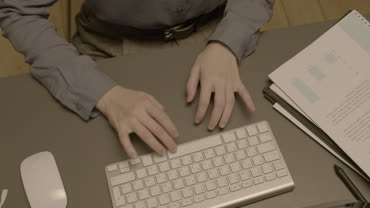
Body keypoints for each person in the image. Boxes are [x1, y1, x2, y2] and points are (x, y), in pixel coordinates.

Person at [0, 0, 274, 158]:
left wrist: (227, 43)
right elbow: (19, 12)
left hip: (221, 25)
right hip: (112, 42)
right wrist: (101, 93)